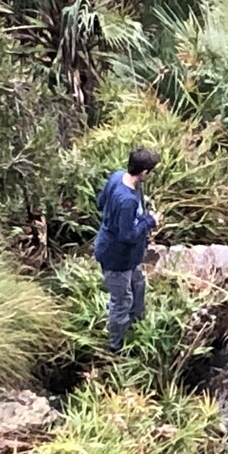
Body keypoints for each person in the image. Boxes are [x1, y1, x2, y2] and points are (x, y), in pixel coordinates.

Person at [94, 146, 162, 352]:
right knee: (121, 301)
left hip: (130, 257)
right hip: (117, 259)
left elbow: (100, 203)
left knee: (138, 286)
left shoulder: (117, 177)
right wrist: (150, 221)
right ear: (144, 173)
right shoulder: (127, 202)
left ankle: (137, 326)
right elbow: (127, 236)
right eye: (150, 172)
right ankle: (116, 346)